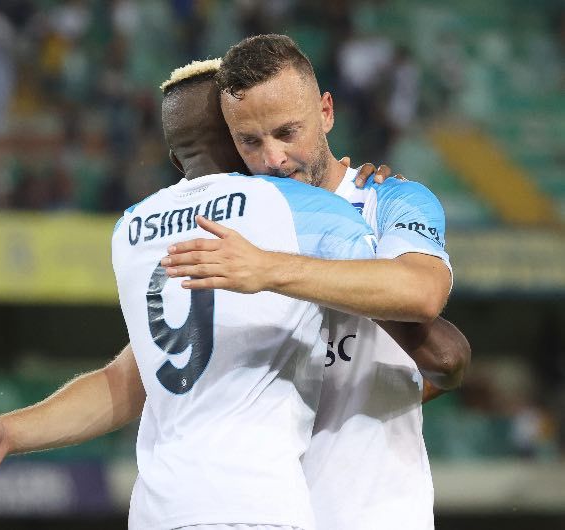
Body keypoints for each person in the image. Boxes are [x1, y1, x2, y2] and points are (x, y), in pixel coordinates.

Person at [0, 59, 378, 530]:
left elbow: (125, 380)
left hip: (158, 510)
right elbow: (406, 292)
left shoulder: (130, 229)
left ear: (176, 159)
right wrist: (368, 192)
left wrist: (10, 432)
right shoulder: (302, 204)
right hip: (252, 504)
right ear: (239, 137)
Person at [161, 34, 470, 529]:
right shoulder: (232, 235)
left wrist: (280, 264)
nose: (274, 159)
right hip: (260, 515)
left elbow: (438, 334)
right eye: (250, 141)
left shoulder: (382, 201)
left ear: (326, 112)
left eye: (288, 132)